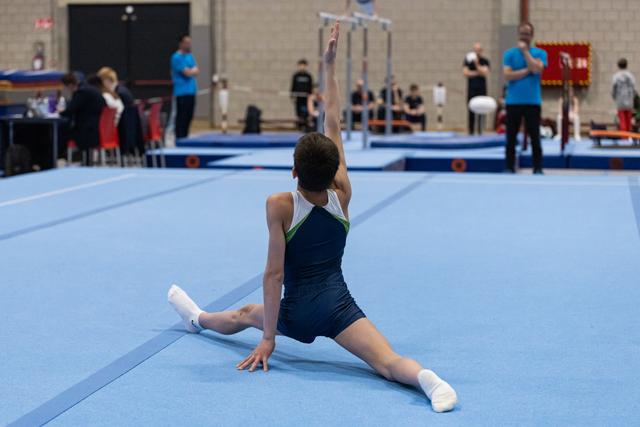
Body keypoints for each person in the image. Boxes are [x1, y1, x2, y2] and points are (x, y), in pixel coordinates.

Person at [167, 23, 457, 413]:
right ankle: (429, 381)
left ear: (293, 172)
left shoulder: (279, 205)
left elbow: (273, 275)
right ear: (334, 169)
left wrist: (269, 338)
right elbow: (333, 121)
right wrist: (330, 66)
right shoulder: (344, 194)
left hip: (295, 314)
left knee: (241, 314)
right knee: (387, 362)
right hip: (338, 307)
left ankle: (198, 318)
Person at [502, 22, 547, 174]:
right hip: (513, 102)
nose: (524, 37)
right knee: (511, 137)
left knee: (535, 136)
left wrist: (526, 53)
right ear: (518, 35)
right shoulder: (509, 54)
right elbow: (508, 75)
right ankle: (509, 166)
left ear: (532, 36)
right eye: (522, 34)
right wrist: (528, 70)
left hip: (533, 102)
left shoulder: (540, 53)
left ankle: (537, 167)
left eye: (527, 34)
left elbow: (537, 69)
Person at [60, 73, 106, 166]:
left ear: (69, 85)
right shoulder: (90, 89)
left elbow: (70, 110)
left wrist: (59, 112)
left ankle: (57, 158)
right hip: (97, 129)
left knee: (61, 133)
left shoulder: (82, 92)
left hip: (88, 132)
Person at [171, 34, 199, 138]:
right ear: (181, 43)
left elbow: (196, 71)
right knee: (181, 117)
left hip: (191, 91)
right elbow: (187, 72)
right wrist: (191, 71)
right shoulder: (176, 57)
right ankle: (179, 138)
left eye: (189, 43)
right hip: (181, 92)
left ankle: (185, 136)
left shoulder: (189, 56)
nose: (188, 45)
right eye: (186, 43)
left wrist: (191, 71)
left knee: (189, 116)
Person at [463, 43, 490, 135]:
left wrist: (477, 64)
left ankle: (480, 131)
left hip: (481, 89)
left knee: (481, 111)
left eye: (478, 50)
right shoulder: (467, 60)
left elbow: (485, 72)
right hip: (472, 89)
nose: (477, 51)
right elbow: (466, 73)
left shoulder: (485, 61)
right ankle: (471, 131)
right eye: (475, 49)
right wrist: (478, 72)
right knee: (471, 110)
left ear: (481, 50)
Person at [612, 58, 636, 132]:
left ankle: (624, 136)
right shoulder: (631, 76)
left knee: (622, 118)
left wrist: (614, 96)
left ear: (618, 66)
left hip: (620, 99)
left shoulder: (616, 76)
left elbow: (613, 87)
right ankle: (629, 136)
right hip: (629, 99)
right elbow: (633, 87)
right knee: (628, 118)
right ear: (626, 65)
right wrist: (633, 97)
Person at [290, 59, 313, 131]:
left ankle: (306, 126)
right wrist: (292, 95)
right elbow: (293, 86)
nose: (302, 67)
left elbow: (310, 87)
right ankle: (300, 126)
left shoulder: (308, 76)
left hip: (306, 98)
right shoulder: (296, 76)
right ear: (298, 66)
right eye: (301, 65)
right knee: (299, 113)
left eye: (304, 65)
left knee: (306, 112)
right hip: (298, 97)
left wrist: (310, 96)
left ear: (306, 66)